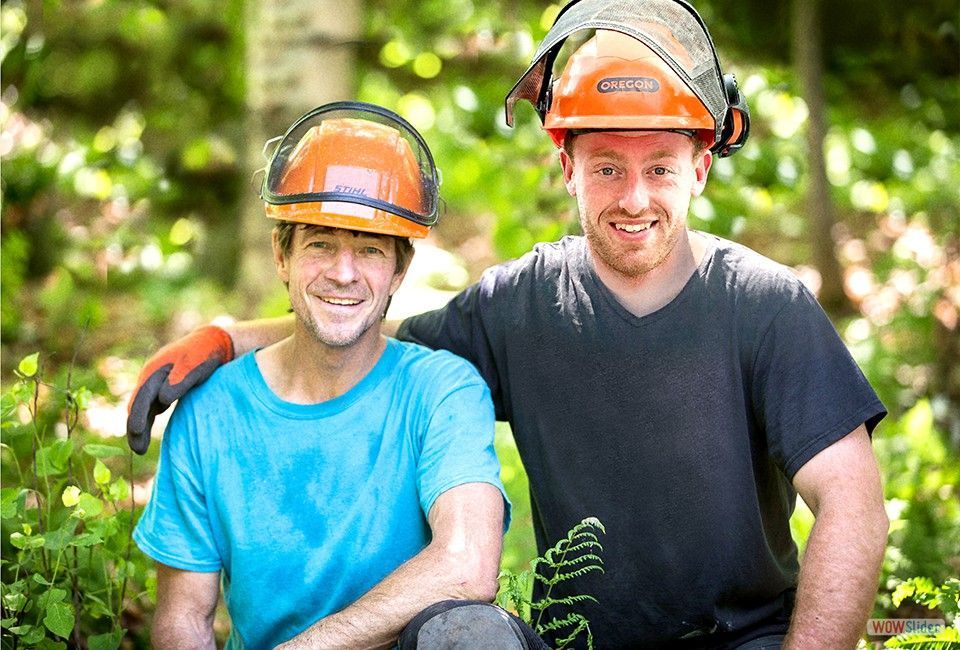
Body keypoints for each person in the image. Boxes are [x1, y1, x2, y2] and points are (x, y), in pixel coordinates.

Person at [128, 2, 890, 648]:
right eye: (606, 167)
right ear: (567, 167)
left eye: (659, 166)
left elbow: (852, 505)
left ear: (700, 168)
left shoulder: (764, 306)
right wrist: (227, 339)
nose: (633, 197)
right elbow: (359, 329)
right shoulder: (522, 304)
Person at [132, 101, 544, 650]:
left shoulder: (442, 389)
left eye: (369, 249)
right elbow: (183, 618)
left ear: (399, 270)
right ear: (282, 255)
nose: (343, 273)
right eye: (320, 243)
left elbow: (467, 566)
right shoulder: (211, 412)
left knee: (472, 636)